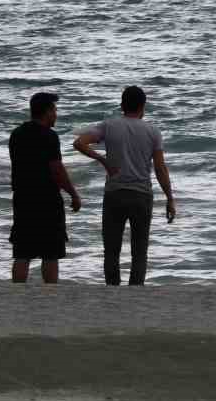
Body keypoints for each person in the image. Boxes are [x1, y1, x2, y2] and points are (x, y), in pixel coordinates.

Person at [73, 85, 175, 285]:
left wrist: (103, 161)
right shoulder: (153, 131)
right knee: (139, 250)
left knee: (111, 249)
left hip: (114, 193)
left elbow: (79, 143)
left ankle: (113, 289)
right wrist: (170, 198)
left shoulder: (109, 125)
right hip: (141, 195)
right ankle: (135, 290)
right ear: (143, 106)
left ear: (122, 105)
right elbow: (160, 168)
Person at [7, 91, 81, 284]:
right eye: (54, 110)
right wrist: (73, 193)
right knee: (50, 252)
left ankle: (17, 293)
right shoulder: (49, 136)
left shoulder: (17, 134)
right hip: (47, 199)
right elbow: (56, 169)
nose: (56, 114)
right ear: (47, 111)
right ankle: (50, 293)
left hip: (23, 198)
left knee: (22, 252)